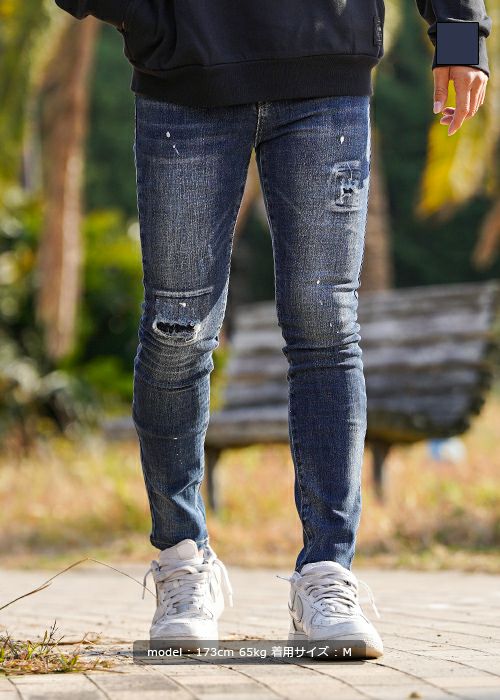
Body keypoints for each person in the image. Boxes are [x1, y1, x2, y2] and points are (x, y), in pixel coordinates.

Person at [55, 0, 491, 659]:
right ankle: (181, 560)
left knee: (325, 328)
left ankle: (327, 574)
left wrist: (458, 31)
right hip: (186, 72)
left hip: (326, 66)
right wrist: (148, 16)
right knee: (178, 330)